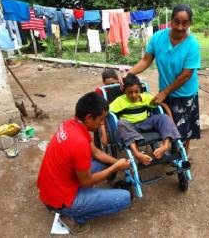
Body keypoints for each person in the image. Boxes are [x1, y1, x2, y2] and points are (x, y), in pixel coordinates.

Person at [37, 92, 131, 235]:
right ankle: (71, 216)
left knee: (104, 162)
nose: (102, 123)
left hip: (52, 187)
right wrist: (116, 167)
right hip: (60, 200)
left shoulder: (71, 124)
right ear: (88, 117)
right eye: (101, 119)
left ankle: (76, 203)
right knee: (124, 198)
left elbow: (96, 153)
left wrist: (117, 163)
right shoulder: (79, 143)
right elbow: (86, 182)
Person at [127, 4, 201, 154]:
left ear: (190, 23)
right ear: (171, 21)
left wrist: (165, 93)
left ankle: (181, 158)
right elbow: (146, 60)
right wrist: (129, 73)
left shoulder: (192, 45)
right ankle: (171, 153)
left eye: (185, 23)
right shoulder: (158, 37)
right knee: (167, 126)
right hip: (165, 93)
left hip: (184, 95)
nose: (180, 27)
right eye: (176, 21)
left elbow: (186, 75)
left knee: (184, 130)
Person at [110, 73, 181, 165]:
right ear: (124, 91)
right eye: (129, 93)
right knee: (121, 123)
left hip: (145, 123)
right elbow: (107, 112)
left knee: (163, 117)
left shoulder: (146, 97)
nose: (134, 95)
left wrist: (156, 101)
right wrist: (103, 130)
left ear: (140, 89)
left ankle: (166, 145)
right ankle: (136, 153)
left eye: (136, 91)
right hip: (130, 127)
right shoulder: (120, 101)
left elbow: (159, 104)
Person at [95, 68, 120, 147]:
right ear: (103, 83)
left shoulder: (122, 87)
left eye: (112, 83)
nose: (110, 86)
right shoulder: (100, 91)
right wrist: (103, 133)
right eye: (107, 84)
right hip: (106, 113)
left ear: (118, 80)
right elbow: (100, 111)